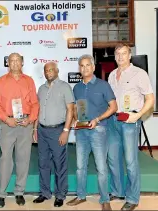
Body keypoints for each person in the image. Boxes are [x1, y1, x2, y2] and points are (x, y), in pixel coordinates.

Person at [66, 54, 117, 211]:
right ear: (79, 69)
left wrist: (97, 119)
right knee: (80, 166)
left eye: (88, 65)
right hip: (81, 132)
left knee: (101, 167)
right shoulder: (77, 87)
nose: (85, 68)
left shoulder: (103, 85)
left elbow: (113, 107)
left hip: (98, 131)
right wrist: (75, 119)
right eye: (82, 66)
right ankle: (81, 195)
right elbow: (74, 108)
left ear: (93, 67)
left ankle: (105, 199)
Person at [107, 44, 155, 211]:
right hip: (113, 121)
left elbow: (150, 99)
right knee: (113, 159)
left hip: (130, 121)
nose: (120, 57)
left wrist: (138, 115)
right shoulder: (112, 75)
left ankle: (133, 198)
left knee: (130, 161)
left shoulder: (139, 74)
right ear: (114, 56)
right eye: (117, 54)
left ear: (130, 56)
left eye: (124, 53)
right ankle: (117, 190)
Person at [0, 53, 39, 208]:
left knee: (23, 158)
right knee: (5, 158)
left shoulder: (29, 81)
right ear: (8, 63)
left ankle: (19, 192)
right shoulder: (1, 81)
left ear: (22, 63)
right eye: (11, 61)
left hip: (25, 123)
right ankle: (1, 193)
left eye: (17, 61)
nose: (14, 63)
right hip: (8, 124)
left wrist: (30, 119)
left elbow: (35, 103)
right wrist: (7, 120)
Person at [32, 62, 74, 207]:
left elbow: (71, 109)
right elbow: (38, 110)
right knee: (43, 163)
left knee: (59, 164)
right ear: (44, 72)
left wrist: (66, 131)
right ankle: (44, 193)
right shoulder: (41, 89)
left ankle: (60, 194)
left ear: (57, 71)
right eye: (46, 70)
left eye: (51, 69)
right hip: (42, 131)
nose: (49, 72)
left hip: (58, 130)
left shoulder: (64, 87)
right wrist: (35, 129)